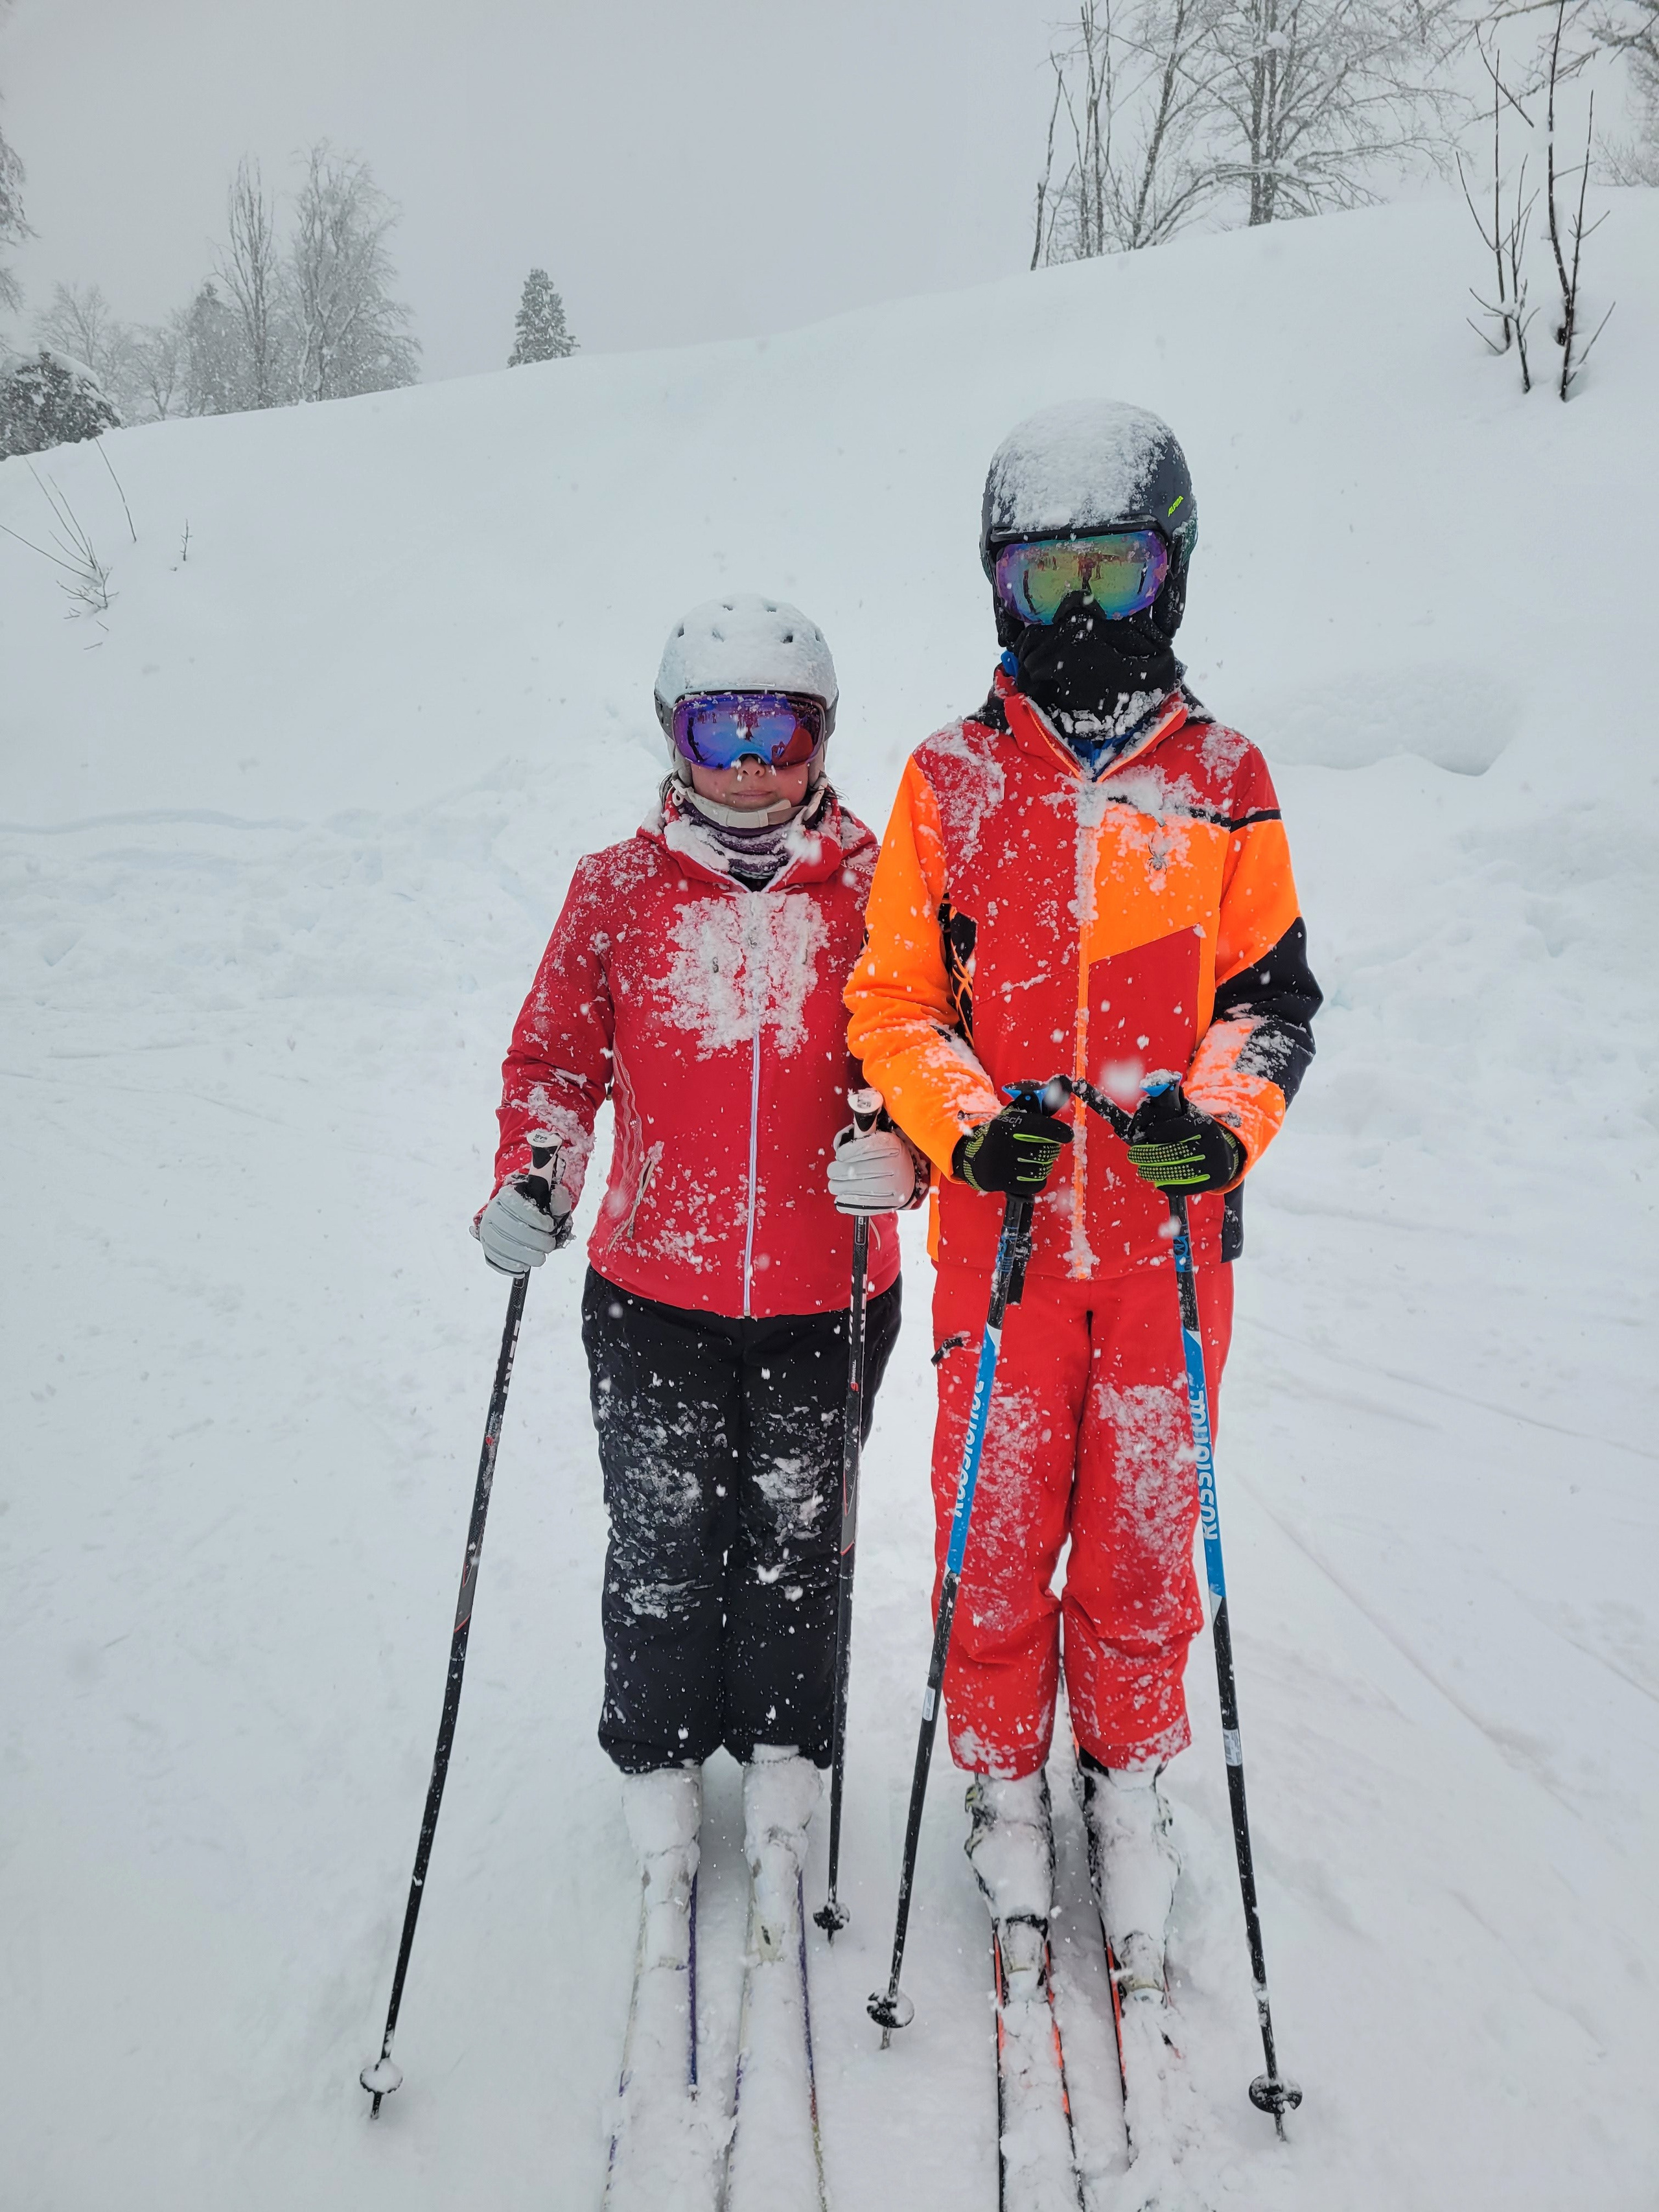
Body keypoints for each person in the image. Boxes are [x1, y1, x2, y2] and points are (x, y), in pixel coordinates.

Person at [844, 401, 1320, 2001]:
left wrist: (1226, 1120)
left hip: (1170, 1258)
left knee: (1139, 1537)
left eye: (1107, 571)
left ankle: (1127, 1780)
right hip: (1005, 1248)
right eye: (1042, 576)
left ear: (1166, 573)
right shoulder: (947, 779)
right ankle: (998, 1774)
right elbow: (894, 1001)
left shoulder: (1224, 775)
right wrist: (965, 1126)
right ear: (997, 588)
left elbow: (1270, 999)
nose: (1075, 612)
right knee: (990, 1531)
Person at [473, 594, 923, 1961]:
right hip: (652, 1287)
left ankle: (786, 1762)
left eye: (777, 728)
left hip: (830, 1288)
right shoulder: (613, 889)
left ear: (817, 737)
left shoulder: (883, 884)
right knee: (663, 1541)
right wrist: (535, 1169)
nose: (749, 761)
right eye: (719, 726)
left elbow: (931, 1054)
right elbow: (555, 1058)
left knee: (800, 1541)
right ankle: (659, 1765)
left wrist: (908, 1154)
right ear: (675, 737)